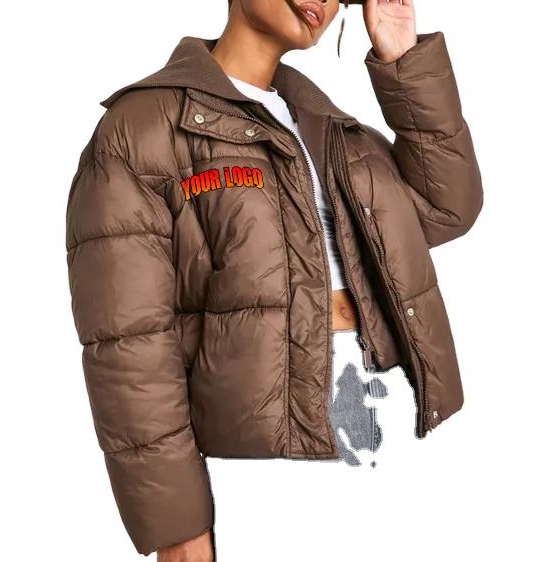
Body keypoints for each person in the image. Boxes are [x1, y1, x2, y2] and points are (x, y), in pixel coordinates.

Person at [65, 0, 483, 560]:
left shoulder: (330, 127)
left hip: (397, 428)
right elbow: (129, 344)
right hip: (263, 465)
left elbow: (446, 208)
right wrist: (176, 528)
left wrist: (402, 58)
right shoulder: (143, 128)